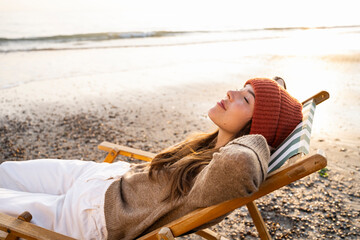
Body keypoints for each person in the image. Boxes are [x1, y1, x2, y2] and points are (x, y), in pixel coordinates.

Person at [0, 77, 302, 240]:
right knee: (5, 172)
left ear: (255, 130)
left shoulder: (229, 167)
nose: (231, 92)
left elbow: (241, 165)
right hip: (106, 179)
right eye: (241, 87)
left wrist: (260, 137)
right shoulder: (210, 146)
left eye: (245, 99)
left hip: (90, 216)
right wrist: (266, 92)